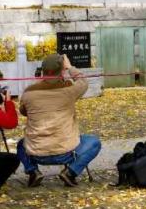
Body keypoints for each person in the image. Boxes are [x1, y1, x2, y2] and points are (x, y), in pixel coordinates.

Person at [17, 54, 101, 188]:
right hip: (66, 152)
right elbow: (83, 82)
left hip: (36, 153)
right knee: (94, 142)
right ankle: (71, 172)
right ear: (62, 71)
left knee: (21, 144)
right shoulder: (68, 91)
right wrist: (70, 67)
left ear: (42, 71)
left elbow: (23, 112)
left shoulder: (28, 94)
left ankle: (33, 171)